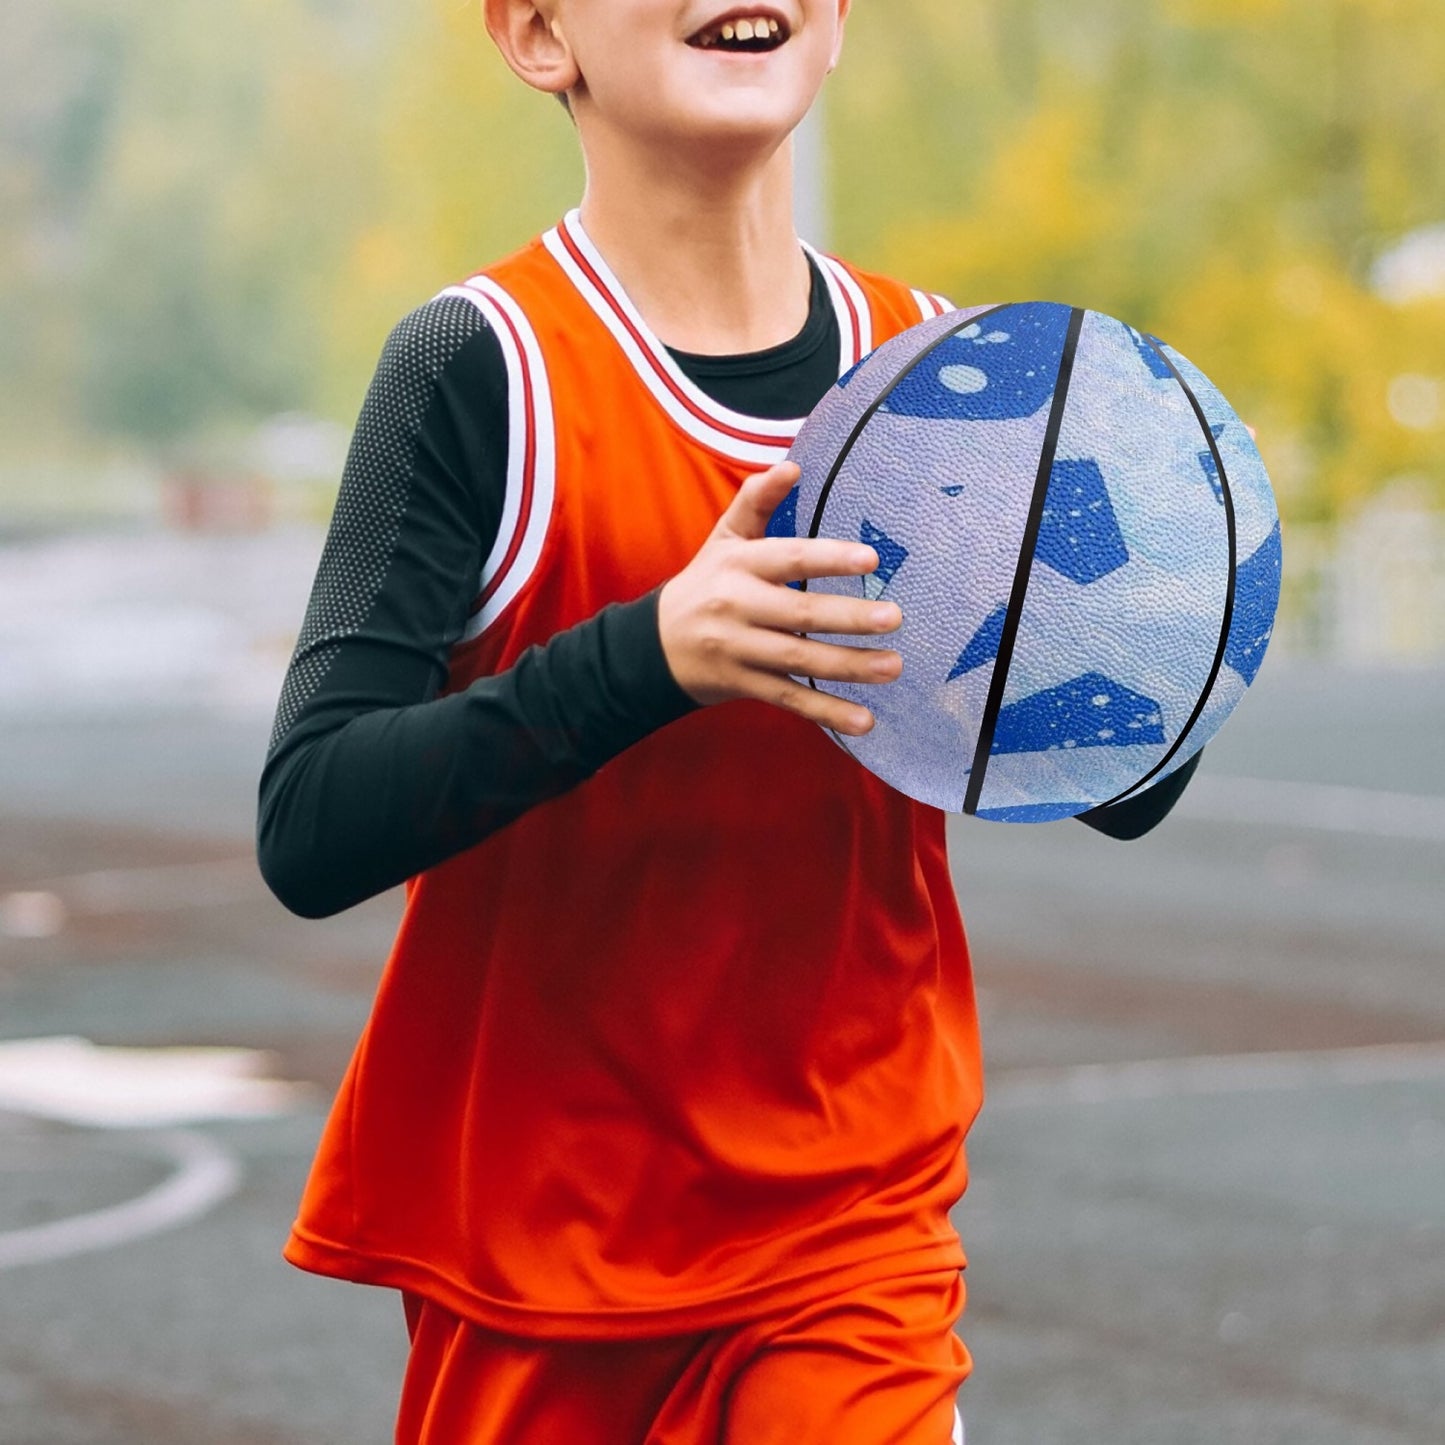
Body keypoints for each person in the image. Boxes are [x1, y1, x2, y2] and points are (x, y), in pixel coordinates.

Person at [257, 2, 1201, 1439]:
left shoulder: (948, 380)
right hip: (540, 1241)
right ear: (533, 35)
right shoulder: (479, 367)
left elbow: (1122, 782)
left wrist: (1158, 621)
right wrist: (650, 653)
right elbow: (311, 821)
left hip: (849, 1223)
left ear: (831, 27)